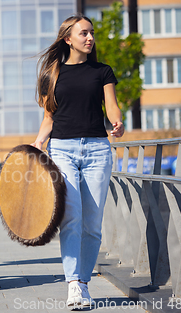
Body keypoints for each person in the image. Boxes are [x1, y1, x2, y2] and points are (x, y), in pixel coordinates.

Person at [31, 14, 124, 308]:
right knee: (72, 217)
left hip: (98, 148)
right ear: (68, 39)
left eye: (91, 33)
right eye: (83, 33)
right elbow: (49, 116)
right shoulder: (53, 73)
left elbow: (111, 105)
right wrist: (38, 142)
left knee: (93, 223)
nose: (90, 38)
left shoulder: (102, 71)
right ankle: (73, 283)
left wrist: (117, 122)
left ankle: (84, 282)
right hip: (62, 150)